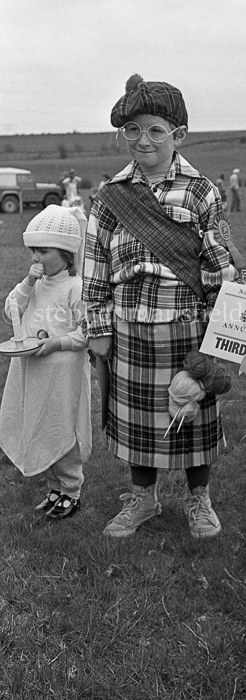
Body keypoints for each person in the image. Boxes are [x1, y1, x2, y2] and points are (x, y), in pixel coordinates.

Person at [82, 74, 237, 539]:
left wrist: (219, 335)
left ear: (178, 135)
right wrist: (99, 327)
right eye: (132, 129)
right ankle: (143, 499)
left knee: (192, 414)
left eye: (155, 130)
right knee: (138, 424)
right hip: (129, 327)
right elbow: (95, 265)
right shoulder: (110, 195)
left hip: (189, 327)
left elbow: (219, 266)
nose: (143, 139)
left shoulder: (201, 192)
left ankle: (199, 499)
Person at [0, 205, 91, 519]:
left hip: (63, 377)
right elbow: (11, 311)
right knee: (39, 426)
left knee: (61, 425)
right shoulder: (35, 285)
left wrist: (56, 343)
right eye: (33, 251)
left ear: (65, 253)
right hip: (33, 374)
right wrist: (27, 283)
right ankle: (53, 486)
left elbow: (87, 332)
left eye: (43, 251)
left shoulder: (75, 288)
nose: (36, 258)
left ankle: (71, 489)